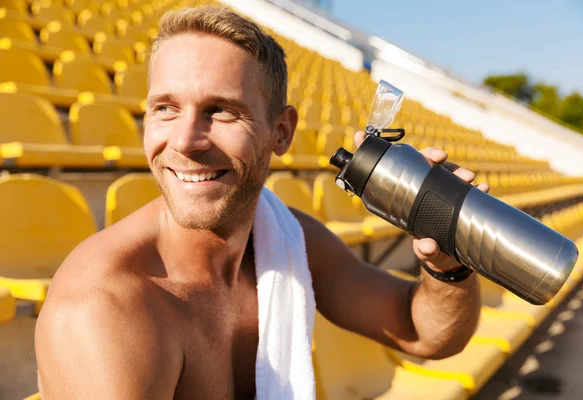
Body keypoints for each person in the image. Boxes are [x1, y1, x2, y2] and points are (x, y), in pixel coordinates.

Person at [35, 5, 489, 399]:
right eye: (165, 108)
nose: (186, 141)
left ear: (282, 132)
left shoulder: (287, 240)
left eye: (221, 110)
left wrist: (447, 265)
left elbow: (423, 332)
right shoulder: (104, 308)